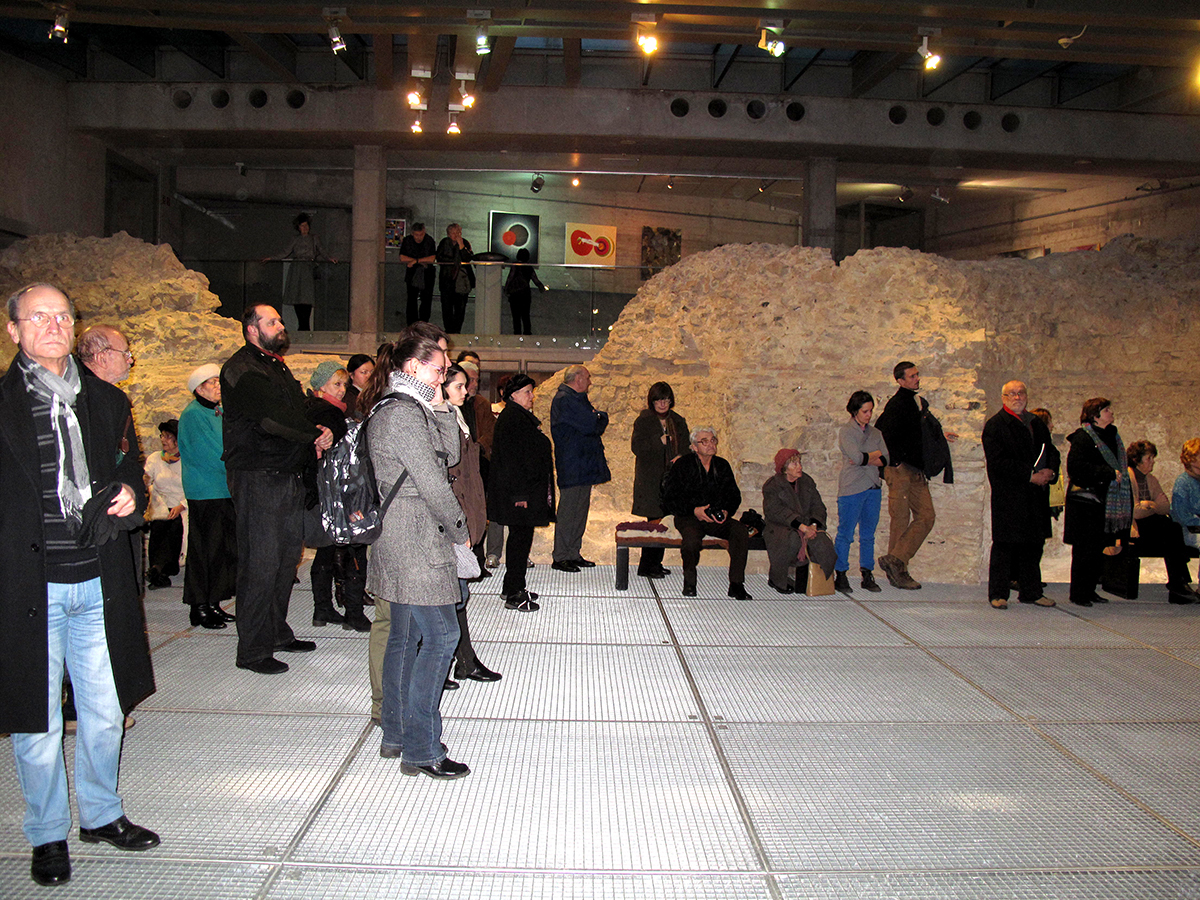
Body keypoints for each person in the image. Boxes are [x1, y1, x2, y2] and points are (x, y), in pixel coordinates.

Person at [1, 283, 159, 887]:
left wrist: (131, 492)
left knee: (105, 711)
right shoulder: (4, 404)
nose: (53, 326)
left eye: (62, 316)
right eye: (38, 317)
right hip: (29, 586)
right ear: (14, 329)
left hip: (98, 578)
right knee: (36, 722)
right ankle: (47, 833)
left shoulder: (107, 400)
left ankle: (100, 813)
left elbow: (128, 466)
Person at [364, 334, 472, 779]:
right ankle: (422, 748)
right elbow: (433, 482)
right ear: (411, 366)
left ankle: (396, 732)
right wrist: (460, 531)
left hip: (403, 537)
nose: (443, 376)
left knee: (405, 637)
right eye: (437, 369)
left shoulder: (412, 406)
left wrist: (443, 404)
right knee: (443, 637)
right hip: (414, 541)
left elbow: (452, 453)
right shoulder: (402, 414)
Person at [221, 304, 332, 674]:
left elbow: (300, 408)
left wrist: (326, 428)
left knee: (285, 561)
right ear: (252, 329)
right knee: (261, 563)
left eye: (280, 321)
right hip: (258, 475)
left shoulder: (275, 366)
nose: (281, 325)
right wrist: (314, 435)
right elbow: (272, 418)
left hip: (286, 472)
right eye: (272, 321)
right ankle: (252, 650)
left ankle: (276, 633)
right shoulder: (241, 368)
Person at [443, 363, 502, 683]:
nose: (465, 391)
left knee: (457, 596)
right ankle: (446, 661)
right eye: (458, 386)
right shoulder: (441, 421)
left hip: (464, 514)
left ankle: (463, 660)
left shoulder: (457, 416)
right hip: (453, 519)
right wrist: (459, 525)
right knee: (451, 596)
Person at [875, 360, 956, 590]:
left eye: (917, 374)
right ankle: (899, 572)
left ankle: (895, 560)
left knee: (926, 516)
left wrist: (939, 437)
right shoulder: (897, 404)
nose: (917, 379)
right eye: (912, 376)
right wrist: (896, 461)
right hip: (900, 470)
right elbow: (882, 433)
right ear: (900, 381)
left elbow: (917, 433)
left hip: (916, 470)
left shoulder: (915, 403)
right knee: (900, 519)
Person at [305, 361, 371, 632]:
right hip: (335, 492)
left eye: (344, 384)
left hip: (324, 492)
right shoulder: (325, 411)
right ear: (320, 386)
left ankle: (323, 609)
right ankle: (353, 612)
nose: (342, 390)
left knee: (327, 549)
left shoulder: (323, 410)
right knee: (354, 547)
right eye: (336, 384)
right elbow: (334, 429)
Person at [981, 380, 1060, 609]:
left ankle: (1031, 592)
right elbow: (998, 462)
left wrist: (1050, 471)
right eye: (1012, 394)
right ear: (1003, 398)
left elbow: (1051, 450)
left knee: (1033, 545)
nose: (1017, 397)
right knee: (1005, 545)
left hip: (1035, 495)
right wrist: (1029, 475)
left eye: (1021, 393)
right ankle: (998, 594)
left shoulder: (1036, 423)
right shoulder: (995, 425)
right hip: (1010, 495)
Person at [488, 373, 555, 611]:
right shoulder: (513, 419)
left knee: (521, 540)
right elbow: (511, 462)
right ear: (513, 395)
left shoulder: (518, 416)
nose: (531, 396)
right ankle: (514, 593)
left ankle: (512, 586)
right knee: (519, 542)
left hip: (524, 492)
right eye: (527, 392)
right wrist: (519, 496)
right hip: (520, 494)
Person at [177, 364, 237, 629]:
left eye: (218, 382)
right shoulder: (193, 415)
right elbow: (210, 453)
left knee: (220, 551)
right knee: (204, 549)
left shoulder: (217, 412)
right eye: (212, 383)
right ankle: (199, 606)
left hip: (222, 489)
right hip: (205, 491)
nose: (218, 387)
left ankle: (214, 602)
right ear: (198, 389)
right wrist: (238, 464)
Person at [661, 426, 751, 600]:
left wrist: (726, 511)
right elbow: (670, 498)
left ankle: (736, 584)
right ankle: (689, 583)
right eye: (704, 441)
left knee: (739, 531)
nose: (710, 444)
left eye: (712, 440)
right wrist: (694, 510)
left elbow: (733, 495)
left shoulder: (722, 465)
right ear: (694, 447)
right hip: (688, 516)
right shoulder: (683, 465)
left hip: (714, 517)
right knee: (691, 540)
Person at [1064, 397, 1131, 607]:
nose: (1111, 412)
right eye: (1106, 410)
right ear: (1095, 415)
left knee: (1097, 549)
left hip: (1104, 501)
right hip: (1085, 504)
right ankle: (1079, 593)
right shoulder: (1083, 437)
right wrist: (1108, 472)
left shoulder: (1112, 436)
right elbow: (1076, 468)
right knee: (1084, 550)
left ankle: (1090, 589)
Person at [550, 365, 610, 572]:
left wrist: (597, 417)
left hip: (582, 466)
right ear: (577, 378)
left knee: (580, 512)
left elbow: (595, 422)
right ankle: (561, 556)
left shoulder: (576, 399)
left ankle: (573, 553)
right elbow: (591, 424)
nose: (590, 382)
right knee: (569, 512)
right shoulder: (565, 400)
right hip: (573, 465)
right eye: (587, 377)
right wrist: (598, 416)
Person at [1126, 439, 1197, 604]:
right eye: (1149, 458)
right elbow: (1135, 512)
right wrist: (1153, 506)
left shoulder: (1151, 479)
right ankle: (1179, 584)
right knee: (1170, 530)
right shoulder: (1128, 478)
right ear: (1136, 460)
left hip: (1152, 525)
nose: (1153, 462)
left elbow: (1165, 507)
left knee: (1172, 529)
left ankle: (1178, 584)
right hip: (1134, 528)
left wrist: (1149, 505)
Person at [630, 381, 689, 579]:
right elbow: (637, 447)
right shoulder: (644, 421)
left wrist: (681, 456)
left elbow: (686, 446)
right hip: (651, 481)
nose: (662, 404)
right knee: (654, 521)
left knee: (666, 520)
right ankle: (647, 565)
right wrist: (658, 442)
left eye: (665, 400)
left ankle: (655, 563)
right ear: (652, 402)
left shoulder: (678, 421)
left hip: (672, 479)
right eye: (658, 400)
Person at [834, 390, 887, 593]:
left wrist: (866, 457)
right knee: (845, 533)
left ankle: (867, 573)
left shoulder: (876, 433)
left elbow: (886, 458)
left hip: (873, 487)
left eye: (871, 411)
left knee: (868, 535)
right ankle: (841, 574)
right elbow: (857, 458)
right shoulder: (847, 432)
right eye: (865, 411)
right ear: (855, 411)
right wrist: (872, 456)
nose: (869, 415)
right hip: (852, 487)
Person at [762, 449, 836, 594]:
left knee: (823, 542)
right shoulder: (773, 485)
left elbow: (818, 506)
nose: (799, 466)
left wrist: (813, 525)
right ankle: (778, 579)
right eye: (794, 464)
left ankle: (818, 580)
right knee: (791, 540)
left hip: (808, 524)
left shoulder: (807, 482)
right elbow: (776, 511)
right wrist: (802, 527)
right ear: (785, 468)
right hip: (780, 526)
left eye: (799, 462)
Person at [263, 212, 337, 331]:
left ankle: (305, 325)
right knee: (297, 296)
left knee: (307, 297)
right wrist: (272, 258)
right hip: (297, 268)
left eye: (306, 225)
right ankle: (301, 324)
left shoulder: (314, 238)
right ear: (298, 227)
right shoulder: (295, 239)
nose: (305, 228)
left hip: (307, 268)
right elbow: (285, 252)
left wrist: (329, 258)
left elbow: (321, 250)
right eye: (302, 226)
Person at [144, 419, 184, 590]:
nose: (163, 440)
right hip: (161, 506)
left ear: (177, 439)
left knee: (175, 524)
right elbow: (146, 479)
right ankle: (157, 568)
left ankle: (161, 569)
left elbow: (193, 486)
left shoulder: (187, 460)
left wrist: (181, 506)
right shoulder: (155, 459)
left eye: (168, 437)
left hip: (182, 506)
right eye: (162, 436)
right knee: (160, 524)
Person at [436, 222, 475, 334]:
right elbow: (439, 257)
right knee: (446, 307)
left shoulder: (465, 243)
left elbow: (468, 258)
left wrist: (461, 246)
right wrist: (454, 262)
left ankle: (457, 330)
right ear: (448, 234)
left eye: (458, 233)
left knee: (460, 307)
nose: (456, 235)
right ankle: (448, 330)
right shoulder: (444, 243)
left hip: (461, 280)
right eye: (454, 233)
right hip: (447, 279)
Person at [399, 222, 438, 325]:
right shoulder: (407, 241)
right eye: (416, 235)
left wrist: (415, 261)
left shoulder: (429, 240)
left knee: (426, 299)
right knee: (411, 299)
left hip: (427, 273)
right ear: (412, 233)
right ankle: (412, 324)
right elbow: (402, 257)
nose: (419, 237)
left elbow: (432, 258)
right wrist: (421, 261)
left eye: (421, 235)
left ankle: (423, 323)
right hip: (412, 273)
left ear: (424, 232)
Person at [503, 247, 547, 334]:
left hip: (515, 294)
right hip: (525, 294)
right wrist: (541, 287)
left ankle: (517, 334)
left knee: (516, 317)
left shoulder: (515, 266)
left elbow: (510, 278)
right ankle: (527, 333)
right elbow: (535, 279)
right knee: (525, 315)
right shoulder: (528, 267)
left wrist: (506, 289)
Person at [343, 353, 374, 421]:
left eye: (372, 372)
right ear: (351, 375)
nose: (369, 376)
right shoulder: (348, 397)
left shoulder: (374, 393)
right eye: (364, 372)